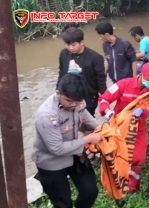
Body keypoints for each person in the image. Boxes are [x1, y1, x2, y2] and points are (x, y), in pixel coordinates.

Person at [32, 73, 101, 208]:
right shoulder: (46, 115)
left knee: (90, 191)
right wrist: (88, 139)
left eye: (78, 101)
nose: (74, 105)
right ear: (58, 93)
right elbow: (57, 149)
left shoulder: (77, 102)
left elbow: (83, 113)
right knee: (63, 204)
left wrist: (99, 127)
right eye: (69, 101)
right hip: (51, 162)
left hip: (75, 154)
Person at [98, 62, 149, 192]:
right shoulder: (124, 84)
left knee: (138, 158)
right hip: (119, 127)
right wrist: (107, 111)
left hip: (138, 128)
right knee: (118, 155)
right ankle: (116, 181)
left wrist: (141, 112)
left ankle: (132, 186)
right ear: (142, 75)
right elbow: (104, 99)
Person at [57, 27, 107, 117]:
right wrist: (58, 91)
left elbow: (101, 81)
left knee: (86, 122)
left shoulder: (95, 58)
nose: (70, 48)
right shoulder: (64, 54)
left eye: (73, 45)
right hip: (67, 97)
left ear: (81, 42)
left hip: (88, 98)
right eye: (67, 45)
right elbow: (61, 73)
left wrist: (105, 98)